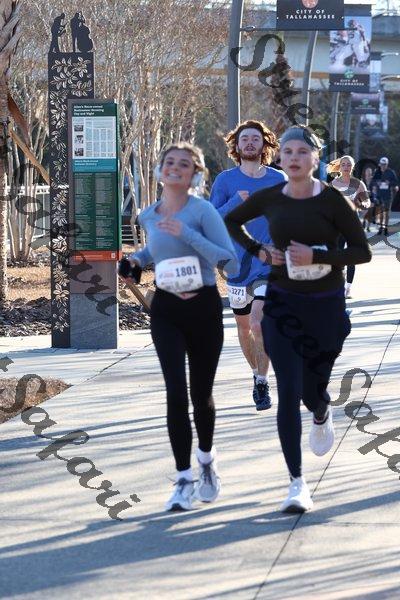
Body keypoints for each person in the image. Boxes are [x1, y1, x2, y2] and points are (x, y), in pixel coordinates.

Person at [225, 125, 372, 513]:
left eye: (302, 152)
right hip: (282, 304)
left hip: (324, 307)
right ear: (281, 156)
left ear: (315, 158)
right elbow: (230, 222)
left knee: (311, 392)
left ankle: (321, 411)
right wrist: (258, 250)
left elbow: (362, 252)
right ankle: (296, 484)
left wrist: (317, 257)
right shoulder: (272, 196)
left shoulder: (333, 201)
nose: (293, 158)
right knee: (288, 390)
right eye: (288, 151)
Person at [121, 142, 238, 512]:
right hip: (167, 309)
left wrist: (188, 234)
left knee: (200, 395)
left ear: (195, 175)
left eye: (184, 164)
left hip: (203, 307)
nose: (174, 168)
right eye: (169, 162)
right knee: (175, 392)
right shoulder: (148, 215)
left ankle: (207, 461)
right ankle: (183, 479)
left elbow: (229, 261)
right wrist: (135, 262)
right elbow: (154, 252)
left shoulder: (203, 211)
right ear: (159, 170)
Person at [210, 120, 286, 411]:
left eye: (256, 138)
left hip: (268, 263)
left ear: (264, 144)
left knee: (258, 322)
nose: (250, 143)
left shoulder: (278, 179)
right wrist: (235, 202)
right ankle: (256, 374)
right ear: (237, 145)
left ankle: (263, 382)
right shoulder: (225, 181)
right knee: (244, 329)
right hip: (236, 265)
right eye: (245, 139)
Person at [328, 155, 370, 298]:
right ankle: (339, 283)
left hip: (353, 224)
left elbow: (366, 201)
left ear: (352, 167)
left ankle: (348, 288)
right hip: (337, 225)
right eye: (344, 164)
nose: (346, 167)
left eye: (349, 165)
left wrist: (364, 204)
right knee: (338, 254)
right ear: (340, 167)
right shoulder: (333, 184)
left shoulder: (358, 184)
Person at [371, 157, 399, 236]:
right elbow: (373, 182)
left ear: (387, 165)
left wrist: (389, 183)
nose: (383, 166)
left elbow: (395, 182)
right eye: (382, 164)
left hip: (388, 195)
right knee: (380, 212)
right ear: (380, 164)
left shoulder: (391, 172)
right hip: (379, 195)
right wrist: (377, 183)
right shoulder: (377, 172)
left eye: (385, 165)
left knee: (386, 213)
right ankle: (380, 228)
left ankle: (386, 228)